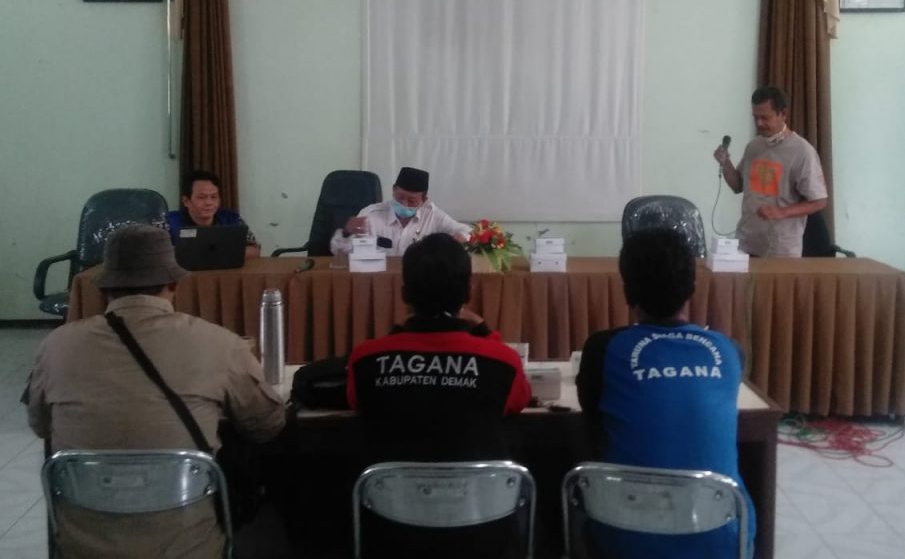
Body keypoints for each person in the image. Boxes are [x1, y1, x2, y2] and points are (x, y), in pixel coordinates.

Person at [25, 224, 286, 558]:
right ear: (174, 283)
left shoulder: (55, 346)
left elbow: (41, 426)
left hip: (81, 550)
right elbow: (267, 425)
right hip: (191, 548)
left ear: (105, 288)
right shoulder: (220, 344)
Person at [346, 233, 531, 557]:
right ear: (468, 292)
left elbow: (355, 402)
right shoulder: (502, 361)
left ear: (404, 294)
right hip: (481, 531)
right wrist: (485, 331)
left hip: (392, 530)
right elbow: (518, 401)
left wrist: (398, 335)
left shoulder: (365, 358)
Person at [576, 228, 754, 558]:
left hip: (625, 538)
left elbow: (593, 418)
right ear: (692, 287)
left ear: (627, 290)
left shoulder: (602, 349)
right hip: (722, 538)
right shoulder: (729, 350)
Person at [713, 86, 828, 257]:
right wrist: (725, 162)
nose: (759, 123)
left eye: (765, 118)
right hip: (746, 244)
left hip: (781, 251)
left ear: (783, 114)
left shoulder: (802, 151)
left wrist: (781, 212)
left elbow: (819, 201)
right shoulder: (754, 146)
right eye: (755, 117)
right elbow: (738, 186)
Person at [329, 166, 470, 257]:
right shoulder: (371, 214)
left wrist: (461, 237)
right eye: (400, 197)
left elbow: (467, 231)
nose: (404, 204)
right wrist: (346, 232)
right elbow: (338, 252)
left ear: (424, 200)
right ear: (393, 190)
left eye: (412, 201)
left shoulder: (432, 215)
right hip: (378, 281)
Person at [160, 169, 260, 257]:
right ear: (186, 201)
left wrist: (216, 253)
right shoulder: (167, 223)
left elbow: (255, 249)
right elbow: (154, 254)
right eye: (202, 197)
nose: (209, 202)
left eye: (214, 197)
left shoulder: (233, 219)